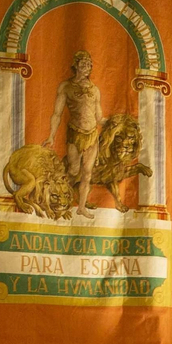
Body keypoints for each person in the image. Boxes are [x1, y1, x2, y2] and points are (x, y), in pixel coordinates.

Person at [45, 50, 106, 218]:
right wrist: (51, 136)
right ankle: (58, 198)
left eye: (89, 64)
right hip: (75, 133)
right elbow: (57, 114)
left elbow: (99, 117)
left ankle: (81, 207)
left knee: (87, 173)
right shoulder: (66, 87)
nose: (87, 67)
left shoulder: (95, 90)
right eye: (83, 64)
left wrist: (111, 121)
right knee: (73, 171)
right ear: (76, 65)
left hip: (92, 135)